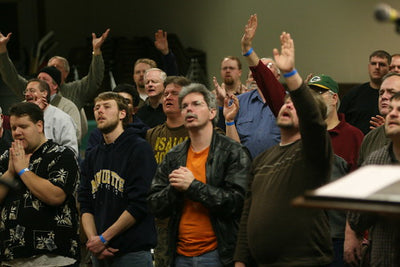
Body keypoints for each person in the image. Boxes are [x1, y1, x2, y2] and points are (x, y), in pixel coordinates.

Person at [234, 31, 333, 266]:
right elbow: (248, 213)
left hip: (304, 261)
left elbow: (312, 120)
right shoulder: (262, 159)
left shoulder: (313, 152)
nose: (288, 105)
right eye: (286, 102)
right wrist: (240, 261)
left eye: (295, 104)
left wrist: (290, 74)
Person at [148, 83, 251, 266]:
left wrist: (192, 186)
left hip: (219, 254)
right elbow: (154, 204)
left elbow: (238, 203)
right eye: (185, 106)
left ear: (212, 113)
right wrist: (175, 189)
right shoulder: (174, 156)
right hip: (179, 255)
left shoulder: (233, 152)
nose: (189, 109)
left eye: (196, 104)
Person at [78, 92, 157, 266]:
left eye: (107, 107)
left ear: (122, 114)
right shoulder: (92, 156)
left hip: (132, 252)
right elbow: (85, 203)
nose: (100, 111)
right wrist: (94, 241)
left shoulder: (139, 148)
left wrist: (104, 238)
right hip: (99, 252)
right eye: (97, 108)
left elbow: (139, 203)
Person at [0, 102, 80, 266]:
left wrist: (23, 171)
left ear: (39, 125)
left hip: (52, 257)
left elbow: (55, 196)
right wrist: (9, 173)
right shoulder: (7, 157)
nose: (17, 132)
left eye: (23, 126)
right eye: (14, 128)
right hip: (11, 256)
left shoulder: (61, 155)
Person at [0, 29, 110, 139]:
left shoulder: (75, 91)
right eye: (49, 67)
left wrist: (96, 51)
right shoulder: (32, 90)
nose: (42, 80)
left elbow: (95, 79)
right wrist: (2, 50)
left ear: (66, 73)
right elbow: (11, 77)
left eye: (57, 67)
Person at [344, 72, 400, 266]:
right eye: (381, 93)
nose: (384, 97)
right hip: (382, 248)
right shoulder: (373, 145)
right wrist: (352, 234)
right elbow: (358, 205)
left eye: (391, 93)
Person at [307, 74, 364, 267]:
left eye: (319, 93)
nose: (314, 98)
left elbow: (360, 191)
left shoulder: (354, 136)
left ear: (334, 98)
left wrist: (354, 233)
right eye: (310, 94)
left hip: (338, 237)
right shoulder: (303, 134)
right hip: (305, 238)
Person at [145, 76, 190, 267]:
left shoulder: (195, 131)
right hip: (160, 217)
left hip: (189, 213)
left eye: (174, 93)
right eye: (165, 94)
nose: (168, 97)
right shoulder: (152, 134)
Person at [85, 83, 149, 155]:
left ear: (134, 110)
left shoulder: (145, 134)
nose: (122, 105)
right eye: (97, 108)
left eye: (126, 102)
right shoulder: (96, 134)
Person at [339, 50, 391, 134]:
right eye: (373, 63)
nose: (377, 67)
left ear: (389, 68)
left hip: (385, 141)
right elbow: (340, 122)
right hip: (356, 143)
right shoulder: (353, 94)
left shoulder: (394, 95)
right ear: (369, 67)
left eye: (382, 64)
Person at [24, 78, 79, 156]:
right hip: (27, 167)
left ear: (44, 93)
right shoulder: (24, 119)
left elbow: (72, 152)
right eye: (26, 91)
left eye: (32, 91)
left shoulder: (62, 118)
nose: (27, 94)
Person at [133, 29, 179, 107]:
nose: (141, 75)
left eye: (144, 72)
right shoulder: (131, 98)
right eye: (137, 72)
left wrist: (166, 53)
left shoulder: (166, 101)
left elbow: (172, 77)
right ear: (133, 76)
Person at [37, 66, 82, 141]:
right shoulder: (27, 104)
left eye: (45, 79)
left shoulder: (68, 107)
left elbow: (75, 136)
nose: (40, 82)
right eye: (38, 79)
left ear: (55, 85)